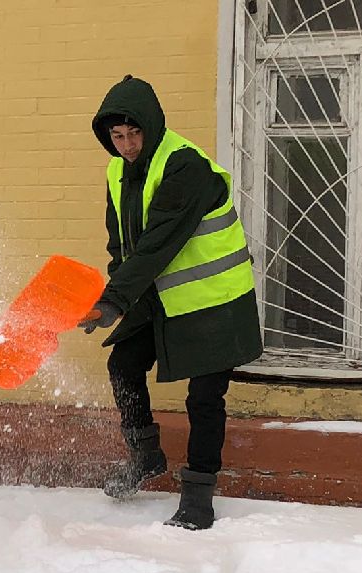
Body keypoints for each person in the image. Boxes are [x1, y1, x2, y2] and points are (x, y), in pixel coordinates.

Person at [78, 75, 263, 530]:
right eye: (117, 137)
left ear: (153, 126)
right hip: (161, 300)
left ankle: (198, 494)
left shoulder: (185, 167)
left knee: (203, 397)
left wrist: (115, 299)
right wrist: (109, 295)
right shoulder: (117, 170)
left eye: (134, 133)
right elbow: (122, 243)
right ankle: (145, 456)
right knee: (123, 364)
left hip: (214, 301)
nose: (127, 145)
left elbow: (159, 243)